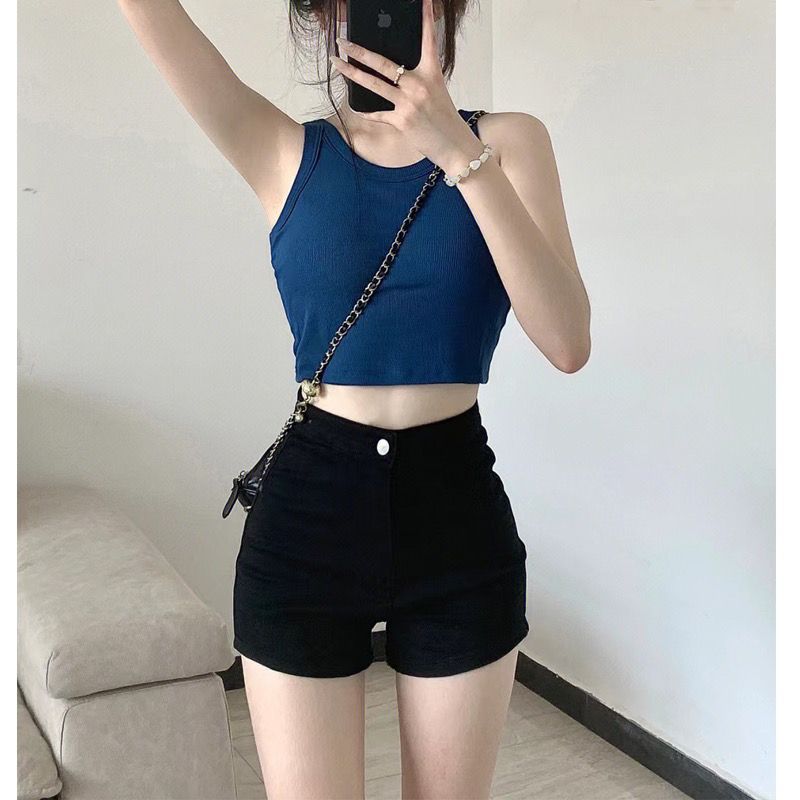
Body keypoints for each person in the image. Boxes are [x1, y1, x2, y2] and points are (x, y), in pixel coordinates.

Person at [118, 0, 591, 797]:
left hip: (456, 515)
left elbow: (568, 340)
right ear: (323, 15)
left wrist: (456, 150)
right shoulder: (282, 149)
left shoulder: (511, 143)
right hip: (308, 519)